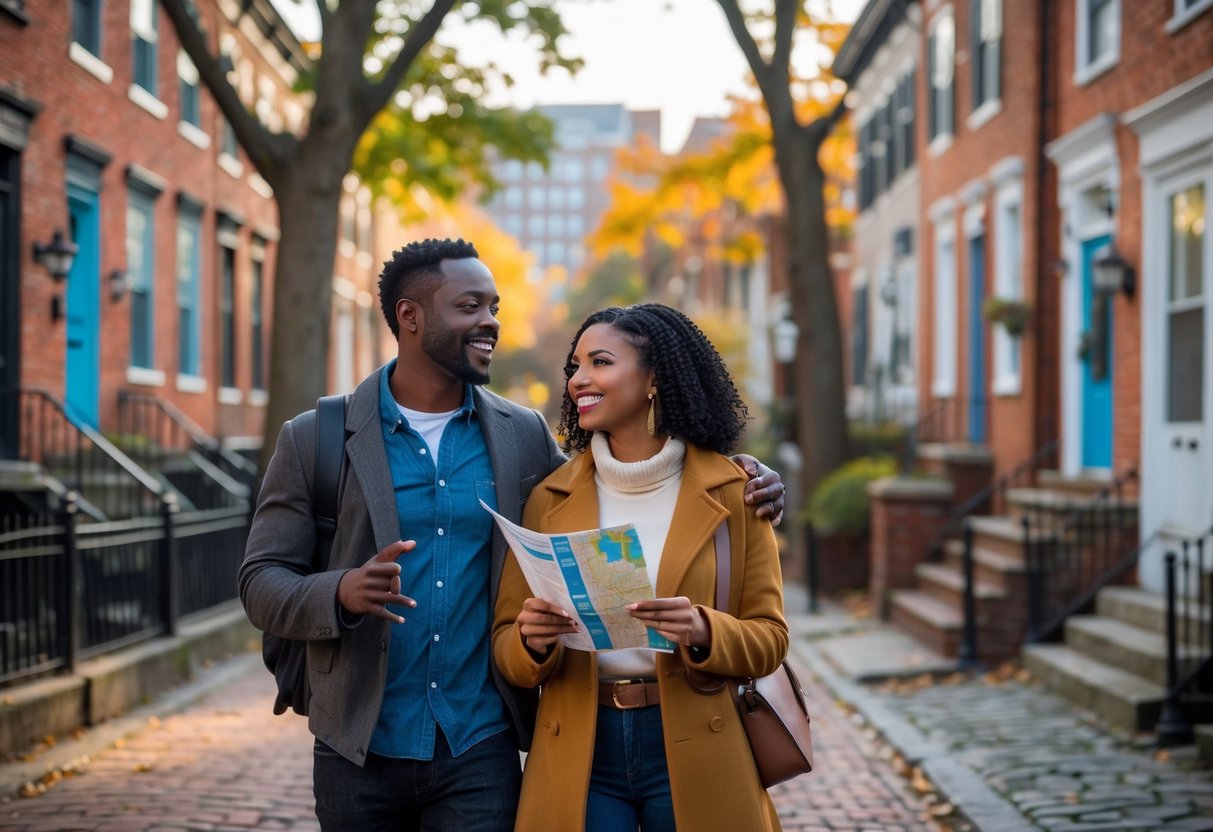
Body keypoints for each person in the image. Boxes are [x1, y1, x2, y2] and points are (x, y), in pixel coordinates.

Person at [238, 240, 786, 831]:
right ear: (410, 316)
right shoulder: (314, 437)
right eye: (470, 306)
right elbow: (259, 583)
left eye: (494, 305)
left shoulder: (522, 437)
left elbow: (620, 475)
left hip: (481, 748)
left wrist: (747, 476)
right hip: (358, 744)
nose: (491, 322)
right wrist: (340, 592)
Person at [493, 303, 789, 832]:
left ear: (653, 379)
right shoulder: (549, 499)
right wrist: (531, 641)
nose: (579, 380)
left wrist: (703, 630)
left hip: (697, 741)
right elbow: (508, 652)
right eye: (574, 367)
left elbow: (770, 639)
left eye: (600, 362)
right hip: (582, 750)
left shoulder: (734, 492)